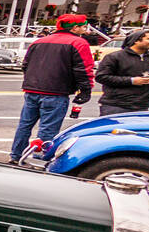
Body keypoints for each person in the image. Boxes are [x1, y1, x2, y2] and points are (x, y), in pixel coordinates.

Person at [8, 13, 93, 164]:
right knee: (48, 130)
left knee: (24, 125)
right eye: (83, 26)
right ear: (75, 28)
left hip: (32, 89)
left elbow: (25, 65)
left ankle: (16, 155)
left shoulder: (39, 42)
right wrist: (86, 89)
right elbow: (84, 69)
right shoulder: (78, 43)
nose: (85, 30)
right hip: (56, 91)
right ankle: (40, 158)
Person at [96, 29, 149, 117]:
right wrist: (131, 80)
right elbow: (101, 77)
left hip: (142, 104)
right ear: (136, 40)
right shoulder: (114, 57)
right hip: (115, 104)